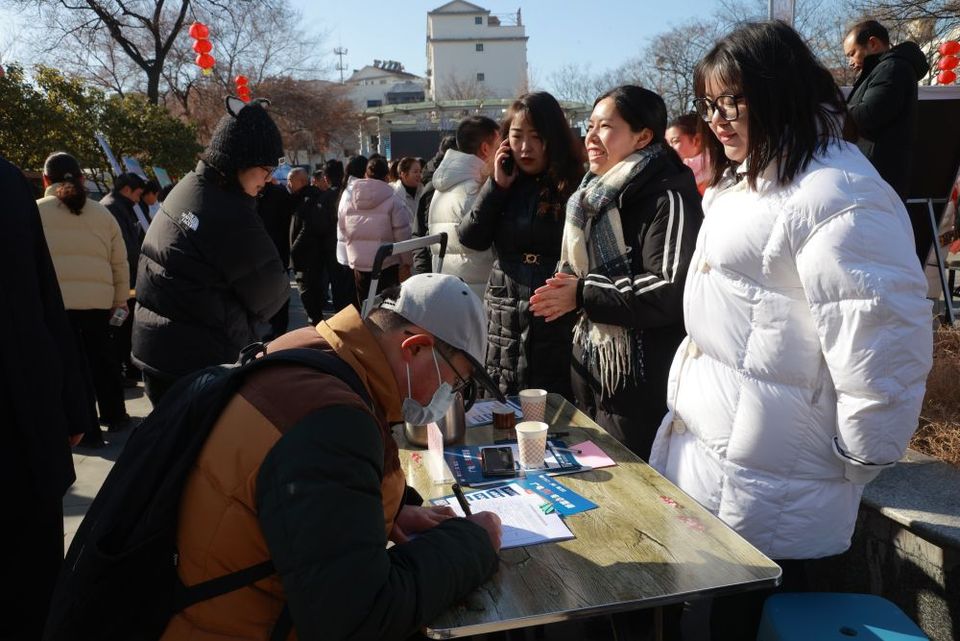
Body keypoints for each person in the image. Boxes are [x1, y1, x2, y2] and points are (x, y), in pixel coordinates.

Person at [649, 21, 932, 640]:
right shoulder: (757, 176)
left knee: (752, 623)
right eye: (709, 104)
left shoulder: (838, 191)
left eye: (733, 102)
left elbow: (883, 342)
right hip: (721, 462)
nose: (717, 120)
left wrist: (858, 459)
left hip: (779, 477)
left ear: (780, 94)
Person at [159, 274, 503, 640]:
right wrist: (473, 542)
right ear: (415, 348)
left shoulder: (316, 351)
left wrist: (392, 509)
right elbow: (359, 618)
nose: (450, 397)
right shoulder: (333, 424)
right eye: (455, 383)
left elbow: (308, 496)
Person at [530, 86, 703, 460]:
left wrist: (580, 294)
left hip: (641, 384)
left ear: (643, 136)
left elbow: (668, 290)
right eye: (589, 126)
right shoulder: (591, 195)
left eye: (605, 127)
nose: (591, 137)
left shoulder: (667, 196)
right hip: (594, 379)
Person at [133, 98, 290, 405]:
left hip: (160, 352)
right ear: (239, 163)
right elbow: (272, 294)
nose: (270, 178)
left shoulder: (190, 187)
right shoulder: (228, 214)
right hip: (199, 365)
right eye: (267, 168)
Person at [1, 155, 91, 640]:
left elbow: (40, 295)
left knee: (33, 593)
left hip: (26, 421)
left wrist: (71, 400)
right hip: (25, 422)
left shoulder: (8, 183)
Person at [458, 91, 585, 398]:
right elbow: (470, 238)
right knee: (505, 394)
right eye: (516, 136)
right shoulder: (501, 182)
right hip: (504, 305)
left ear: (552, 138)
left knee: (554, 400)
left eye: (536, 136)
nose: (525, 147)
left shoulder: (575, 184)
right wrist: (497, 187)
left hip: (555, 304)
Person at [37, 152, 131, 443]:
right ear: (81, 178)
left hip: (54, 307)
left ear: (45, 180)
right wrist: (119, 300)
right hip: (98, 305)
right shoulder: (103, 214)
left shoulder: (34, 211)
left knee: (67, 368)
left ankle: (82, 428)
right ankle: (115, 416)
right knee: (104, 363)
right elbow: (119, 262)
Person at [844, 19, 929, 201]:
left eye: (852, 53)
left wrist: (838, 110)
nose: (851, 62)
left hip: (879, 181)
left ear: (873, 43)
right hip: (875, 178)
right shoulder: (885, 69)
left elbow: (868, 115)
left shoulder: (892, 69)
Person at [428, 115, 501, 298]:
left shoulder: (441, 188)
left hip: (449, 293)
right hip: (480, 297)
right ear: (486, 148)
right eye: (499, 145)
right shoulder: (480, 189)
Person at [339, 156, 413, 308]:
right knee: (387, 308)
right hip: (387, 264)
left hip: (359, 265)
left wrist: (348, 258)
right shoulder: (394, 200)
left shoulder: (349, 198)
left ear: (366, 175)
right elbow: (402, 235)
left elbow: (343, 229)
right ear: (386, 177)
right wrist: (407, 263)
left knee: (366, 308)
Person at [101, 172, 146, 387]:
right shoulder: (112, 208)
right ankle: (124, 370)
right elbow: (124, 250)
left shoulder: (118, 207)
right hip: (121, 282)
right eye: (138, 194)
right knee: (119, 328)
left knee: (125, 328)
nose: (139, 199)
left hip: (126, 280)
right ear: (127, 190)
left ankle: (128, 369)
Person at [289, 165, 331, 323]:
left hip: (306, 258)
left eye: (290, 181)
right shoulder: (308, 197)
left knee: (309, 297)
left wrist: (294, 252)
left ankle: (317, 333)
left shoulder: (308, 199)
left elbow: (307, 229)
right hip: (314, 257)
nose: (288, 185)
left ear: (300, 181)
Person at [257, 173, 296, 339]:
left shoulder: (278, 194)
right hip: (264, 252)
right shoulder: (252, 196)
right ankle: (274, 327)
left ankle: (278, 329)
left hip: (276, 251)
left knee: (279, 293)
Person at [666, 113, 710, 195]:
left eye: (675, 141)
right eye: (668, 143)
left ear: (696, 140)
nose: (669, 148)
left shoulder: (717, 169)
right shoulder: (679, 169)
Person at [393, 156, 424, 220]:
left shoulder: (423, 192)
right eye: (415, 172)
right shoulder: (394, 195)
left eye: (420, 171)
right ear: (403, 174)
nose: (419, 175)